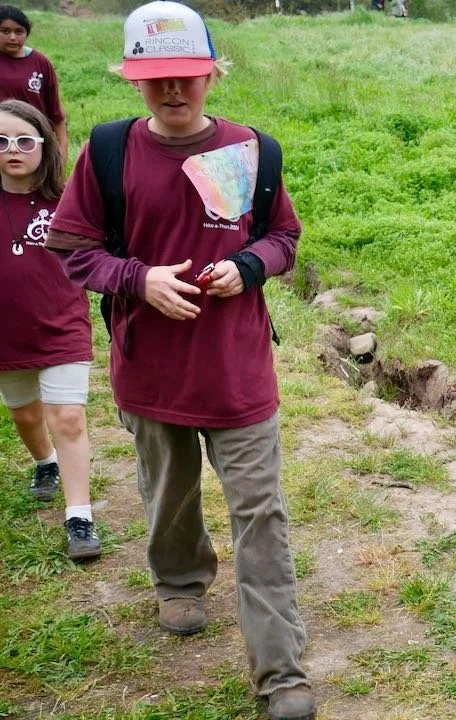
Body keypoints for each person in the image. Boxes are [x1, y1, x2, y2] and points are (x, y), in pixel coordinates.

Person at [44, 3, 314, 718]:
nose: (172, 91)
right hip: (151, 373)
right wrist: (140, 279)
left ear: (211, 72)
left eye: (187, 75)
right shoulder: (106, 152)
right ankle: (180, 581)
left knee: (262, 515)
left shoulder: (254, 150)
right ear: (134, 79)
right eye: (156, 77)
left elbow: (284, 235)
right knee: (169, 495)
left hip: (239, 373)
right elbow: (75, 252)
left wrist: (250, 265)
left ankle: (282, 675)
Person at [0, 98, 98, 561]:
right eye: (1, 141)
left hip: (62, 325)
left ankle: (80, 516)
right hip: (6, 335)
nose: (12, 149)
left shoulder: (67, 201)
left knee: (69, 417)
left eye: (23, 140)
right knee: (24, 416)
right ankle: (45, 462)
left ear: (44, 145)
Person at [0, 6, 66, 158]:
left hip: (32, 143)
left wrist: (60, 158)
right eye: (5, 31)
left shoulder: (40, 62)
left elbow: (56, 114)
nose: (12, 37)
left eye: (19, 31)